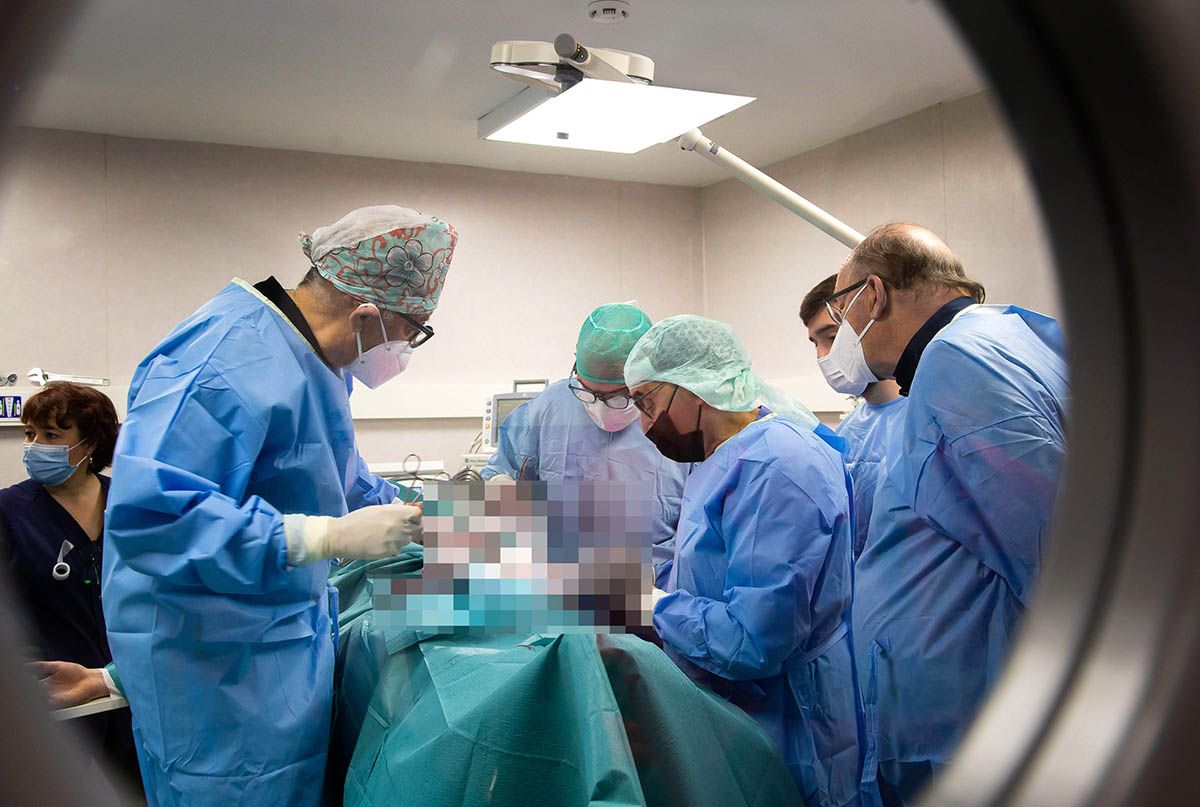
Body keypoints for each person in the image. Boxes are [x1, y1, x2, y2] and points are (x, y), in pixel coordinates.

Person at [102, 205, 458, 807]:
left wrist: (453, 518)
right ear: (366, 313)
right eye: (412, 330)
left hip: (273, 654)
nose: (406, 347)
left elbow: (339, 483)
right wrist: (323, 540)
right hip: (213, 680)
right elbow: (153, 519)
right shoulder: (221, 358)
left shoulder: (318, 363)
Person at [824, 223, 1068, 804]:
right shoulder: (1015, 332)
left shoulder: (957, 360)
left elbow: (1053, 542)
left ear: (874, 295)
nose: (838, 342)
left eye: (839, 314)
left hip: (962, 725)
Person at [625, 315, 867, 807]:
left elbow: (752, 641)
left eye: (647, 402)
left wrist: (652, 606)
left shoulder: (776, 467)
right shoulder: (723, 458)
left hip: (789, 724)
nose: (644, 422)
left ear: (692, 388)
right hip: (740, 713)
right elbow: (709, 571)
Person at [481, 303, 690, 585]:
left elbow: (705, 528)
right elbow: (502, 470)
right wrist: (499, 488)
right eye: (588, 391)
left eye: (619, 395)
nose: (601, 407)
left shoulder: (681, 419)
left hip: (656, 588)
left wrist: (652, 580)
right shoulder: (551, 405)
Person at [0, 382, 142, 797]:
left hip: (127, 684)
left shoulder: (131, 505)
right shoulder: (10, 512)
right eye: (30, 433)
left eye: (51, 435)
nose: (33, 446)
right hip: (53, 694)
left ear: (90, 442)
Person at [800, 274, 906, 560]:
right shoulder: (850, 429)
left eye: (832, 337)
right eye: (815, 343)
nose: (823, 355)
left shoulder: (919, 423)